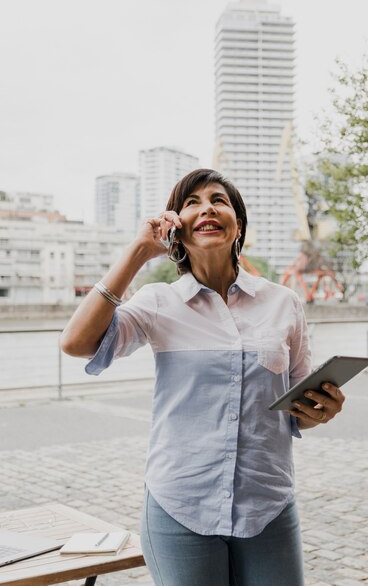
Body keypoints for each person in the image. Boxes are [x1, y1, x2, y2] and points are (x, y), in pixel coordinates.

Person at [61, 168, 345, 586]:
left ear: (238, 225)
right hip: (181, 506)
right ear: (176, 229)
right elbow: (76, 342)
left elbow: (297, 410)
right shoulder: (158, 301)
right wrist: (138, 253)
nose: (206, 208)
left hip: (267, 506)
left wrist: (321, 410)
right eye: (191, 202)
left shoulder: (283, 303)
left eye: (218, 200)